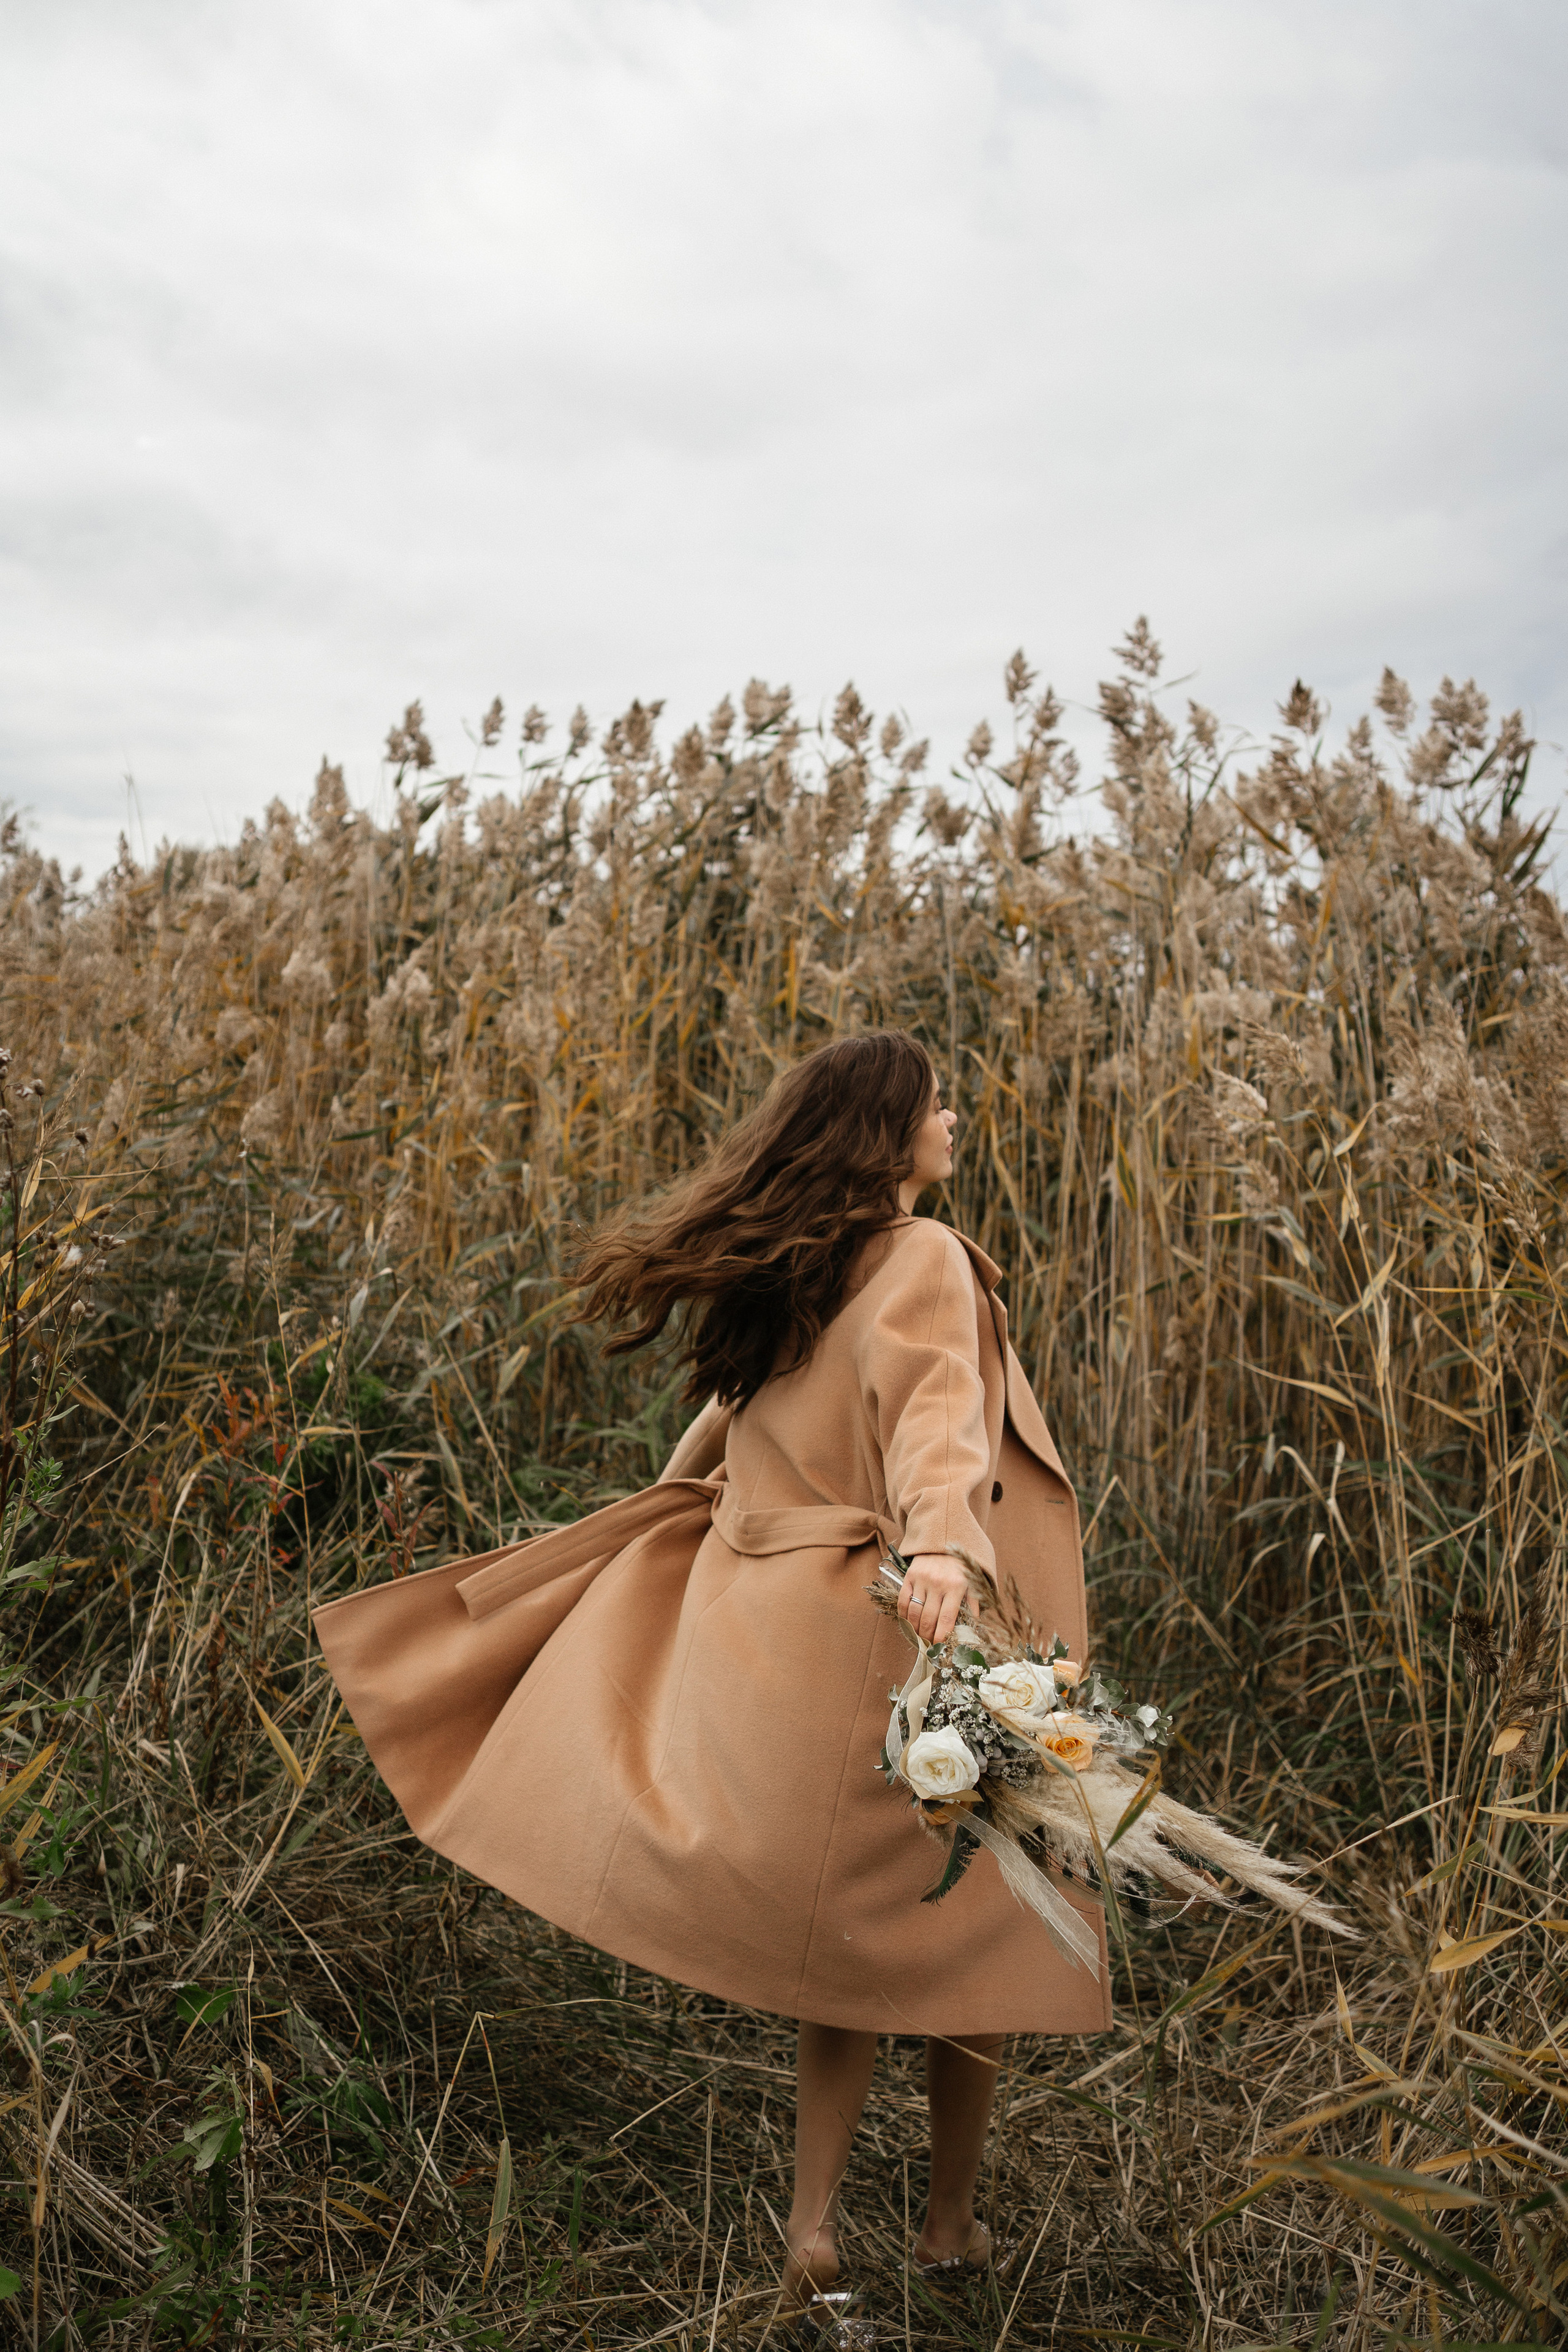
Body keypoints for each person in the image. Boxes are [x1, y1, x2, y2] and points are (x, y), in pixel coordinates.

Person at [312, 1029, 1107, 2332]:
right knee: (984, 1933)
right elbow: (936, 1419)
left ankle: (810, 2226)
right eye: (934, 1104)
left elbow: (728, 1436)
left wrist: (671, 1518)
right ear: (883, 1131)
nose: (953, 1120)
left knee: (840, 1953)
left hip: (809, 1640)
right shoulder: (914, 1257)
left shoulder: (804, 1267)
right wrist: (949, 1553)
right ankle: (950, 2224)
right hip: (925, 1633)